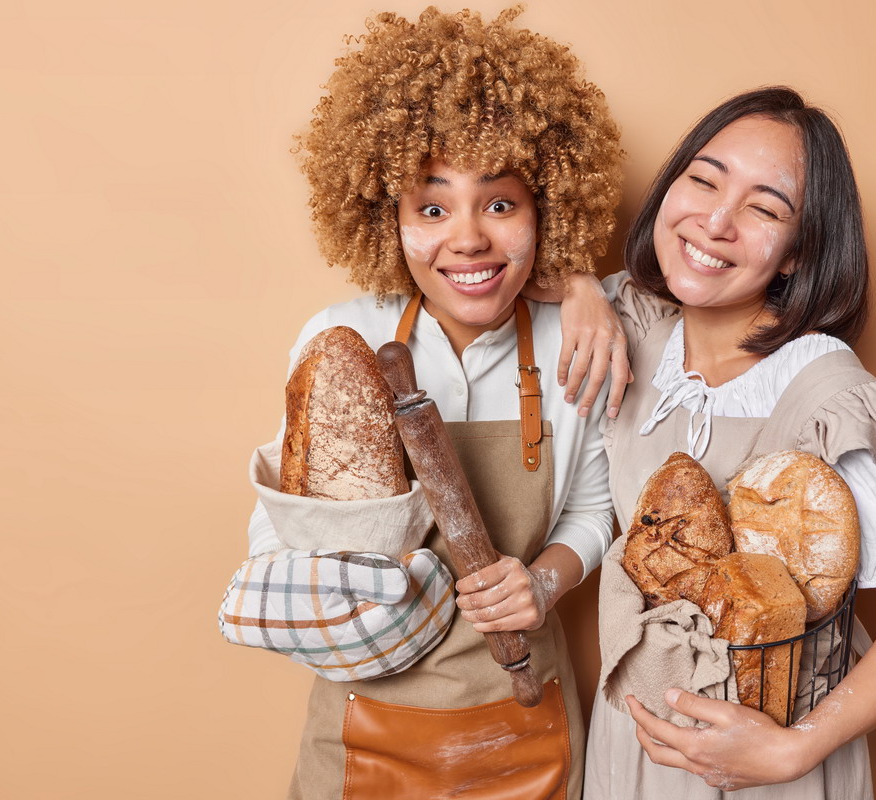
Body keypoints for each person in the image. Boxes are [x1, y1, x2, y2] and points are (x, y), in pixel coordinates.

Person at [218, 8, 623, 798]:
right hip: (365, 726)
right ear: (387, 220)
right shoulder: (344, 334)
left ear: (546, 207)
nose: (467, 239)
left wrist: (542, 580)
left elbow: (597, 506)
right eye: (431, 209)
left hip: (522, 720)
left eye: (500, 204)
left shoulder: (580, 341)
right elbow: (276, 520)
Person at [558, 87, 876, 798]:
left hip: (764, 768)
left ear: (795, 255)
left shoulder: (828, 400)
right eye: (702, 178)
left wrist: (791, 751)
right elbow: (497, 246)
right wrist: (575, 286)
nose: (715, 220)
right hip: (630, 755)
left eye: (764, 209)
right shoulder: (632, 325)